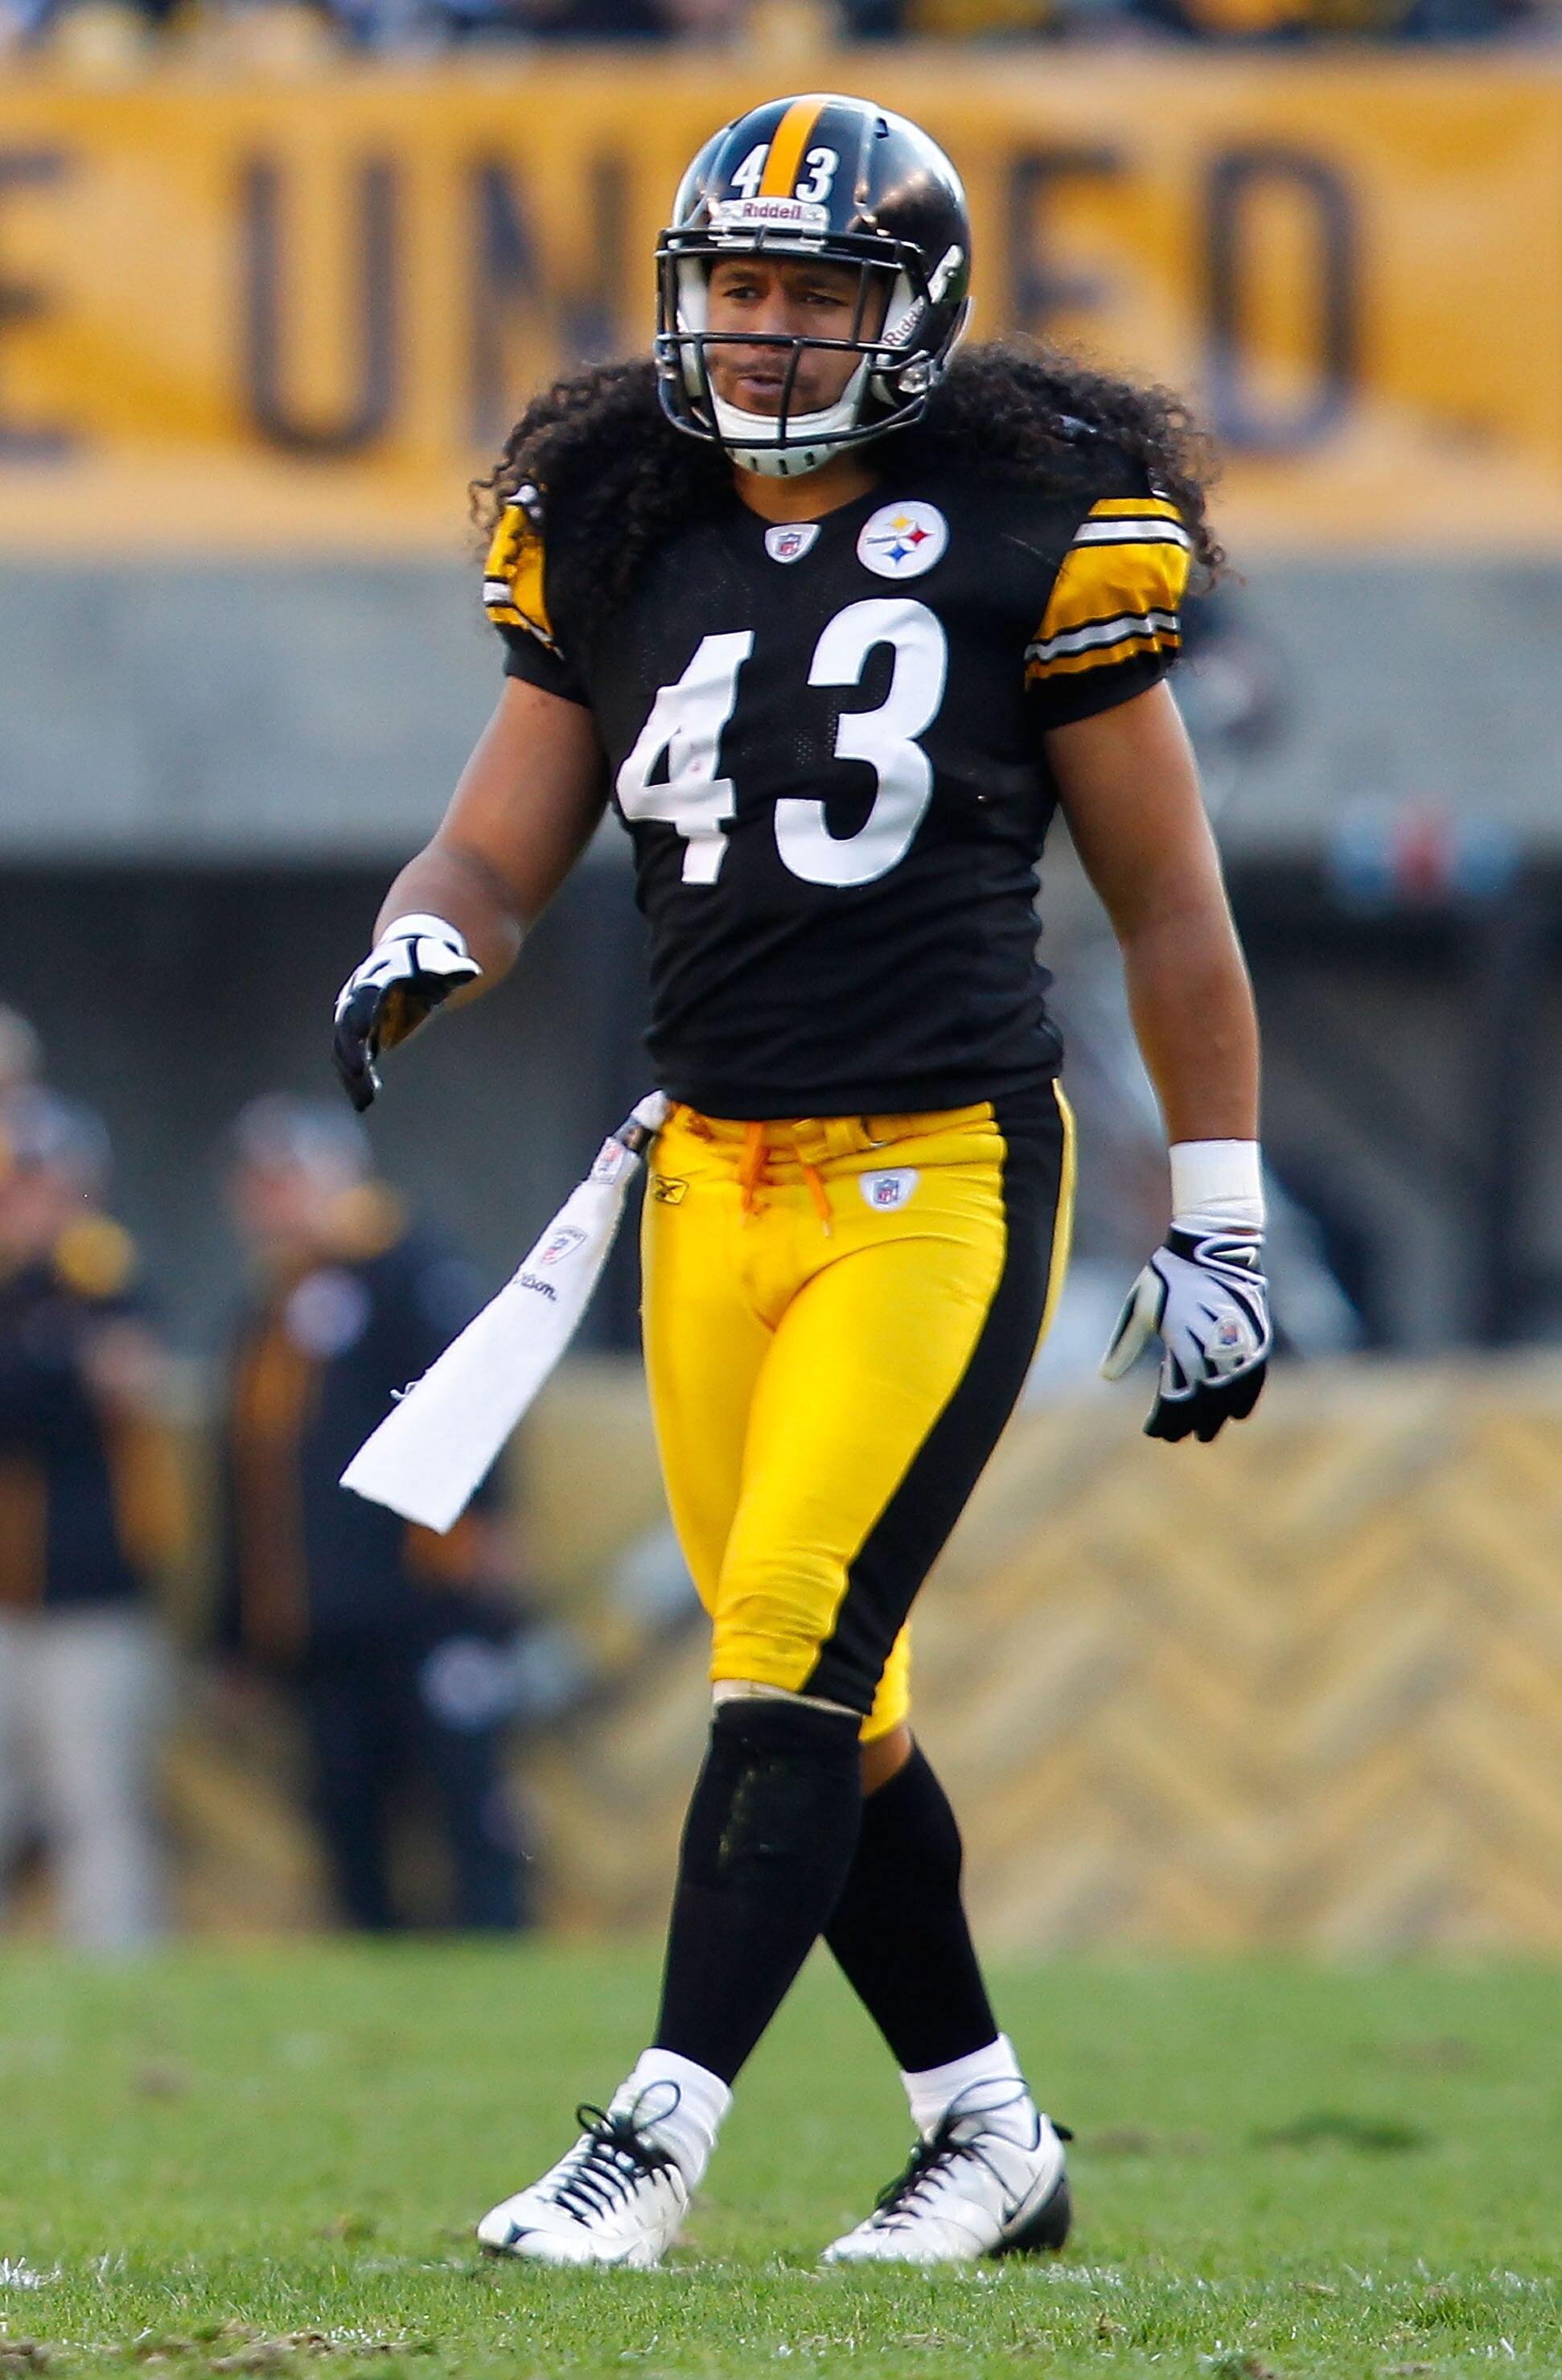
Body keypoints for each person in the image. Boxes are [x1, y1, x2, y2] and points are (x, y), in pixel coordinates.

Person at [331, 92, 1271, 2264]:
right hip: (703, 1180)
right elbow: (492, 846)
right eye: (732, 285)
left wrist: (1216, 1216)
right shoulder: (619, 526)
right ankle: (987, 2136)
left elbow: (1169, 906)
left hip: (932, 1169)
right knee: (836, 1712)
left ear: (909, 318)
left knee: (780, 1647)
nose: (760, 331)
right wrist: (420, 938)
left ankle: (650, 2141)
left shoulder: (1036, 527)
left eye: (810, 292)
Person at [216, 1095, 531, 1933]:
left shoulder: (409, 1271)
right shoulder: (268, 1307)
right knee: (347, 1815)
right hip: (324, 1616)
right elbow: (246, 1482)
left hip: (424, 1596)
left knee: (464, 1797)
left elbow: (475, 1399)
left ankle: (496, 1958)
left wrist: (487, 1528)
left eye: (286, 1181)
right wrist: (238, 1627)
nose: (271, 1203)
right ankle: (375, 1959)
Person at [0, 1088, 176, 1948]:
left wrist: (53, 1380)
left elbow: (120, 1378)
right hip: (9, 1594)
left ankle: (116, 1970)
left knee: (95, 1801)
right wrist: (66, 1377)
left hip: (91, 1595)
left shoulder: (106, 1277)